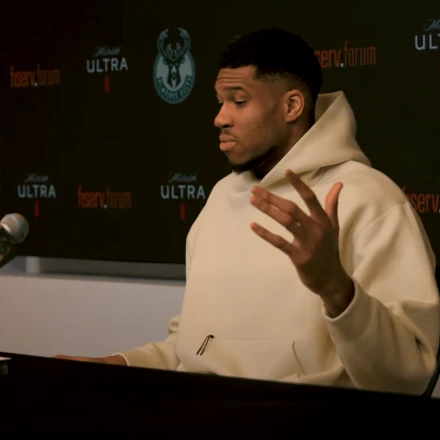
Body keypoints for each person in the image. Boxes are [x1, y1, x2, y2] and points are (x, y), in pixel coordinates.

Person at [56, 28, 440, 395]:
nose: (220, 118)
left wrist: (335, 287)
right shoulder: (221, 197)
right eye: (220, 101)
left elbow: (407, 378)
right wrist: (119, 364)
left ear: (291, 106)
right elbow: (192, 349)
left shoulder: (370, 199)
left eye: (239, 101)